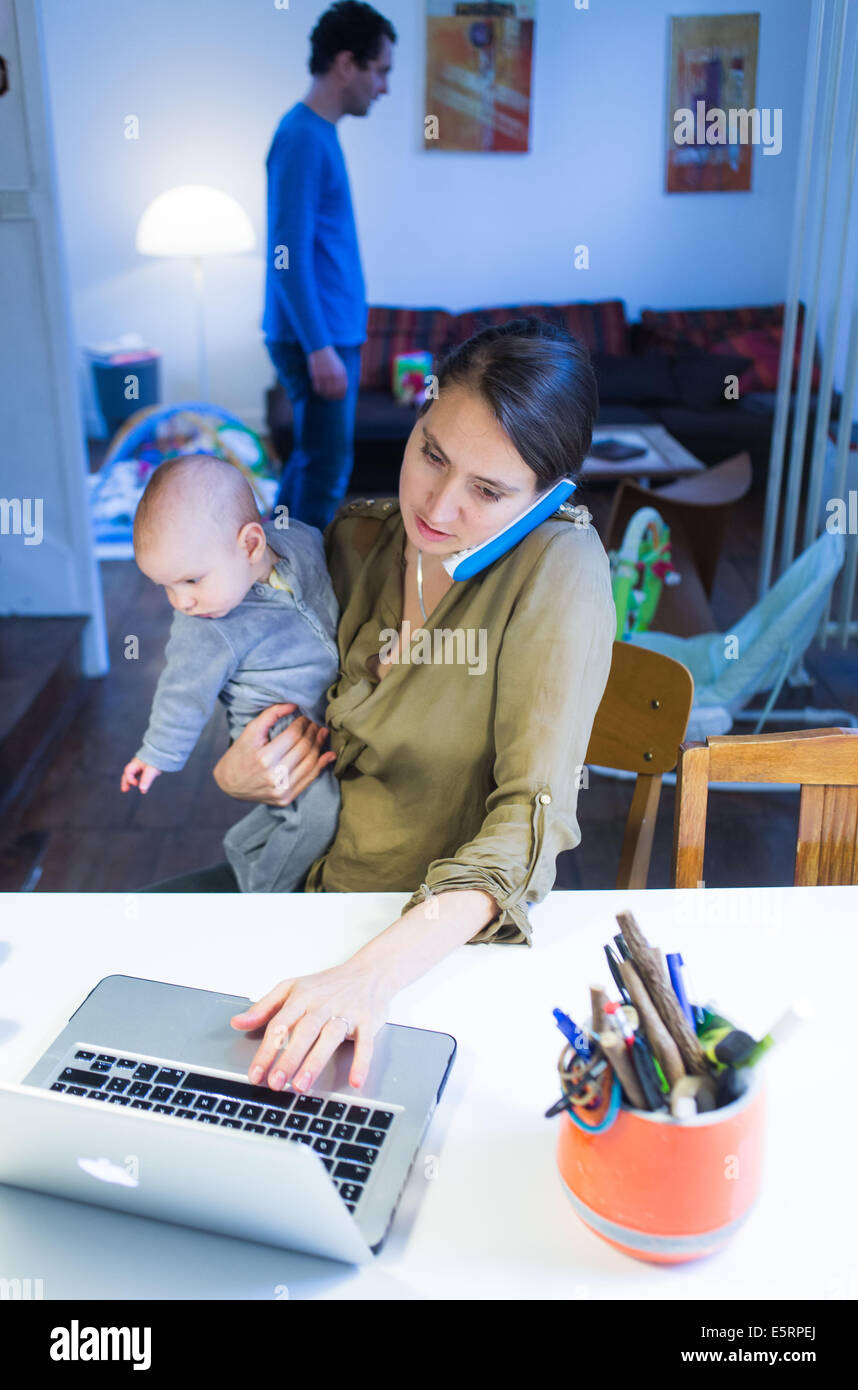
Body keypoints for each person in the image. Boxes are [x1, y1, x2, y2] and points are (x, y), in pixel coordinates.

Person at [145, 320, 617, 1110]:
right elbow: (231, 648)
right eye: (432, 452)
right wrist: (237, 770)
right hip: (300, 891)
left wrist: (365, 976)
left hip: (417, 943)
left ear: (549, 498)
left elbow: (530, 824)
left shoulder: (558, 571)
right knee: (111, 972)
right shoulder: (361, 536)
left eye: (489, 491)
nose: (437, 504)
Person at [122, 454, 341, 893]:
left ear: (252, 545)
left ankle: (243, 845)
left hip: (320, 702)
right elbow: (181, 691)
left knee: (297, 813)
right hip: (274, 724)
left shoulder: (301, 542)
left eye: (190, 580)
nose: (179, 601)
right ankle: (264, 896)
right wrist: (156, 753)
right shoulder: (204, 625)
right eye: (165, 586)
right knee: (318, 813)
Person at [262, 1, 396, 529]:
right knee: (326, 473)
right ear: (347, 64)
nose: (383, 86)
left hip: (328, 334)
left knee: (313, 462)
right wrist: (319, 347)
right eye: (380, 70)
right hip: (316, 339)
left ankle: (272, 568)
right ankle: (298, 591)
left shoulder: (317, 133)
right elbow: (285, 254)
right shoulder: (301, 137)